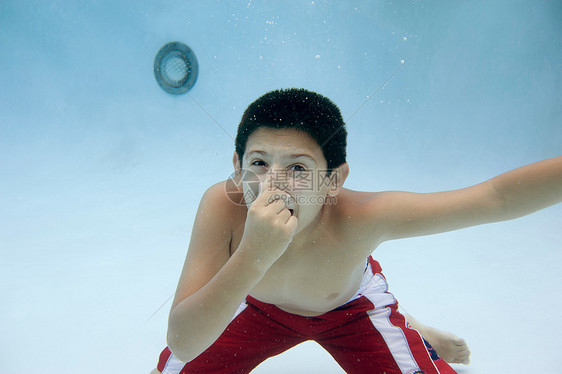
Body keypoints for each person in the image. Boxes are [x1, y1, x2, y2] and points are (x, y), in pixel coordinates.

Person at [152, 88, 561, 374]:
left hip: (349, 310)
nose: (273, 183)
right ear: (237, 165)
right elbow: (185, 341)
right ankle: (414, 325)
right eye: (258, 163)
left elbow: (495, 198)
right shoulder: (223, 204)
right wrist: (251, 255)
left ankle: (406, 323)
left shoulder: (364, 216)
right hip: (254, 304)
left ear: (333, 180)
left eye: (298, 168)